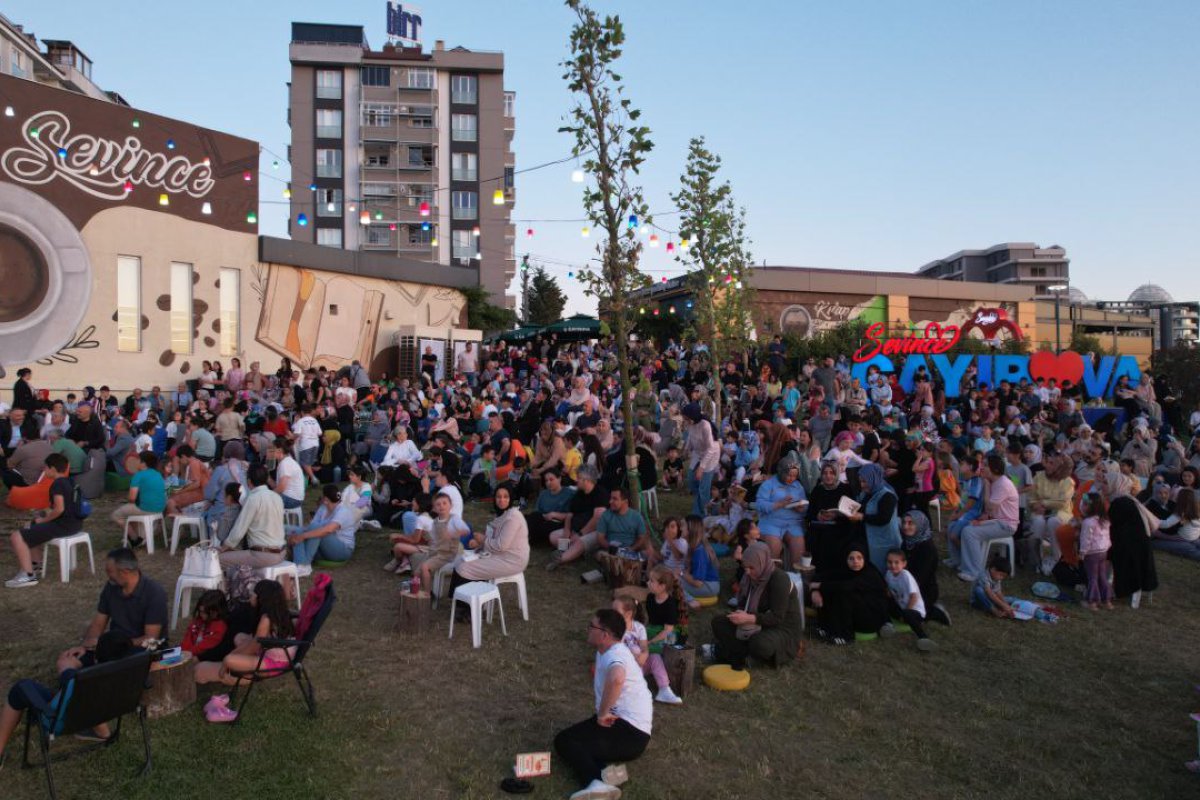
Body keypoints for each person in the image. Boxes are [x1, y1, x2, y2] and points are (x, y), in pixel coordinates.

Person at [554, 609, 653, 800]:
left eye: (592, 626)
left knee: (566, 741)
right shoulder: (607, 650)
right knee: (572, 738)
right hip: (628, 728)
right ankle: (609, 776)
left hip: (630, 733)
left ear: (605, 635)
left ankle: (595, 783)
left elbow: (616, 678)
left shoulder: (614, 654)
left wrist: (602, 714)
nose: (588, 629)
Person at [0, 631, 138, 761]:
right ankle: (103, 732)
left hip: (62, 723)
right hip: (106, 711)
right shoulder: (130, 672)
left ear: (96, 658)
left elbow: (67, 672)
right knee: (90, 698)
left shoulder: (76, 680)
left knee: (20, 689)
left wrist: (67, 669)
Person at [56, 548, 168, 674]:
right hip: (112, 647)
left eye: (110, 571)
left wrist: (115, 645)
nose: (108, 576)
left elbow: (150, 639)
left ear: (125, 572)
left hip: (140, 650)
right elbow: (98, 624)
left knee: (108, 671)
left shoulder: (154, 593)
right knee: (64, 662)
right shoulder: (111, 587)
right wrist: (85, 646)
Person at [194, 580, 296, 704]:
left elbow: (252, 647)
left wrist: (226, 663)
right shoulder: (278, 613)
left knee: (202, 670)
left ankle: (243, 675)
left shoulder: (265, 620)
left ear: (261, 599)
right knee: (239, 637)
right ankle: (237, 667)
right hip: (274, 653)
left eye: (254, 594)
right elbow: (252, 643)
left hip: (273, 663)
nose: (251, 596)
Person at [710, 541, 802, 666]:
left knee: (759, 644)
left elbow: (777, 617)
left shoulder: (779, 579)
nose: (747, 572)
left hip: (781, 628)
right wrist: (741, 613)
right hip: (757, 622)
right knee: (718, 622)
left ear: (762, 562)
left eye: (751, 568)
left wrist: (749, 618)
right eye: (745, 567)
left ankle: (733, 653)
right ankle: (744, 655)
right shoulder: (750, 577)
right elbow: (744, 603)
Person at [448, 484, 530, 615]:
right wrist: (480, 544)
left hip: (512, 560)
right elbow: (496, 540)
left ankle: (469, 609)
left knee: (464, 568)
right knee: (461, 561)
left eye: (505, 497)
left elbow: (501, 545)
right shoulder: (503, 515)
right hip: (500, 555)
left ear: (511, 498)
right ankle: (465, 603)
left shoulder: (513, 516)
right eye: (498, 497)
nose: (501, 500)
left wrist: (482, 540)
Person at [6, 453, 84, 588]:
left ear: (52, 469)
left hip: (63, 525)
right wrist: (41, 517)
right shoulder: (71, 481)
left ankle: (28, 575)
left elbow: (59, 509)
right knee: (30, 526)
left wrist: (43, 520)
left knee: (17, 536)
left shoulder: (57, 484)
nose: (44, 471)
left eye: (45, 468)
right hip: (75, 524)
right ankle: (36, 564)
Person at [956, 454, 1019, 582]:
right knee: (969, 527)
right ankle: (966, 566)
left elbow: (990, 507)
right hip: (997, 521)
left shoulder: (1002, 484)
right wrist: (981, 519)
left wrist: (986, 484)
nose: (982, 467)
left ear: (994, 469)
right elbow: (991, 511)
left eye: (985, 465)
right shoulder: (997, 481)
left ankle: (975, 573)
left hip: (1006, 525)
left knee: (970, 533)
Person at [810, 548, 889, 646]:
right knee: (831, 589)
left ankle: (845, 636)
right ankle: (825, 627)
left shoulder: (870, 573)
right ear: (846, 560)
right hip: (857, 613)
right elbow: (821, 576)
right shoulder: (846, 570)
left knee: (843, 592)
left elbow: (847, 586)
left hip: (872, 618)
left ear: (865, 559)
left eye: (859, 558)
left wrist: (818, 585)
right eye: (851, 558)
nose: (855, 561)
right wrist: (815, 591)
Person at [1105, 469, 1159, 607]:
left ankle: (1107, 586)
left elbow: (1113, 529)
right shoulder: (1126, 500)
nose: (1104, 486)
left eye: (1107, 483)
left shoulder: (1120, 503)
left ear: (1115, 485)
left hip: (1130, 549)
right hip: (1139, 546)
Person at [219, 464, 286, 570]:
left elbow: (239, 530)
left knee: (218, 559)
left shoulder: (253, 499)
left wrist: (223, 547)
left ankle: (232, 586)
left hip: (263, 555)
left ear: (249, 481)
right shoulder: (277, 497)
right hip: (281, 552)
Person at [287, 484, 357, 577]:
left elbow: (328, 530)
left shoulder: (343, 511)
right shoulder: (323, 508)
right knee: (297, 530)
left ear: (326, 500)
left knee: (315, 529)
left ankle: (305, 565)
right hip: (323, 547)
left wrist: (302, 536)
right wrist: (298, 533)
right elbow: (311, 526)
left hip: (342, 550)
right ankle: (299, 564)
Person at [899, 510, 950, 625]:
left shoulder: (927, 549)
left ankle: (934, 612)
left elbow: (921, 578)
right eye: (904, 523)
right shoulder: (907, 543)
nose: (906, 527)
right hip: (908, 585)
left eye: (911, 523)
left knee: (910, 617)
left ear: (920, 524)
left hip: (923, 590)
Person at [754, 460, 808, 568]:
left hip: (793, 523)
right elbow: (759, 504)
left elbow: (805, 506)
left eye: (794, 476)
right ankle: (772, 577)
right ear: (781, 472)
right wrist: (779, 504)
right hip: (771, 522)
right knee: (774, 547)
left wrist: (800, 508)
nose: (791, 478)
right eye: (789, 475)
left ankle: (796, 580)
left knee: (799, 549)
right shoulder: (769, 484)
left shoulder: (798, 486)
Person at [848, 463, 900, 574]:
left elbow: (883, 518)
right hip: (869, 537)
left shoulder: (887, 495)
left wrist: (861, 517)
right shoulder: (868, 492)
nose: (862, 485)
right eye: (860, 481)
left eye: (864, 481)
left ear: (874, 479)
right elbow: (863, 507)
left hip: (883, 540)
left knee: (881, 570)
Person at [883, 549, 937, 651]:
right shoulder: (888, 574)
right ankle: (888, 625)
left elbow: (914, 596)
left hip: (914, 610)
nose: (893, 565)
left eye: (896, 562)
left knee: (907, 614)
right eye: (890, 562)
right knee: (883, 602)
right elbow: (888, 592)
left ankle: (923, 638)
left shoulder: (906, 576)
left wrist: (905, 614)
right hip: (901, 607)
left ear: (904, 564)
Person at [111, 451, 167, 536]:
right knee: (131, 510)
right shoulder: (158, 474)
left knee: (116, 515)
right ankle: (141, 534)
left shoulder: (139, 475)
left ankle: (134, 539)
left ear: (143, 463)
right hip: (160, 509)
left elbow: (132, 498)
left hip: (147, 509)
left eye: (137, 460)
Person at [682, 402, 720, 517]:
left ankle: (703, 514)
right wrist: (686, 450)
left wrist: (701, 467)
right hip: (698, 453)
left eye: (686, 418)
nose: (684, 420)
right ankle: (703, 505)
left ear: (692, 417)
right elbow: (690, 436)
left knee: (704, 487)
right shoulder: (691, 424)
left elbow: (710, 448)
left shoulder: (705, 425)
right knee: (691, 479)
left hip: (711, 454)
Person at [1078, 492, 1114, 610]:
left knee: (1092, 577)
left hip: (1091, 553)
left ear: (1092, 506)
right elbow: (1108, 536)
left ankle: (1092, 602)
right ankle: (1106, 600)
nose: (1082, 506)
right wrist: (1106, 547)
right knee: (1102, 575)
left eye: (1085, 504)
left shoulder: (1087, 522)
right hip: (1103, 552)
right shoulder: (1105, 520)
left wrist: (1082, 552)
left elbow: (1085, 539)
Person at [526, 468, 576, 546]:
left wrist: (555, 514)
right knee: (530, 518)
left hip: (558, 522)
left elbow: (572, 515)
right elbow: (536, 512)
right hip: (542, 518)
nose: (548, 483)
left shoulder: (569, 494)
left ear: (559, 479)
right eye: (546, 481)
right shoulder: (543, 493)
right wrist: (544, 516)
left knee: (544, 528)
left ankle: (531, 539)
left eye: (551, 479)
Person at [181, 590, 232, 662]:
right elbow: (188, 637)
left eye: (204, 612)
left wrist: (190, 652)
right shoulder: (198, 621)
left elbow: (206, 646)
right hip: (188, 654)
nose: (201, 614)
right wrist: (184, 650)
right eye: (200, 611)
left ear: (215, 612)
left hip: (204, 659)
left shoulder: (219, 627)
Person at [165, 445, 211, 517]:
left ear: (183, 456)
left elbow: (196, 484)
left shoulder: (193, 464)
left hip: (201, 493)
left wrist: (181, 491)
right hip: (202, 492)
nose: (181, 463)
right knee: (173, 495)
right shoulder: (196, 462)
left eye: (180, 460)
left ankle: (178, 523)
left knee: (170, 501)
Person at [270, 439, 306, 510]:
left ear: (279, 450)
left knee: (262, 500)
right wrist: (267, 478)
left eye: (272, 449)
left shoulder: (285, 464)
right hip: (292, 498)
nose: (270, 451)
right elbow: (278, 486)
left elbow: (281, 487)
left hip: (292, 500)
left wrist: (269, 495)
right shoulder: (285, 462)